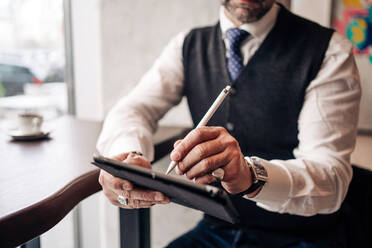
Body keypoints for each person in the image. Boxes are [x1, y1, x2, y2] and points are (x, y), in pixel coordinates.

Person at [96, 0, 361, 247]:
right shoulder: (187, 45)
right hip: (217, 231)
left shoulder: (329, 52)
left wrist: (251, 176)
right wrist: (129, 158)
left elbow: (331, 177)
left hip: (304, 236)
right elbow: (133, 108)